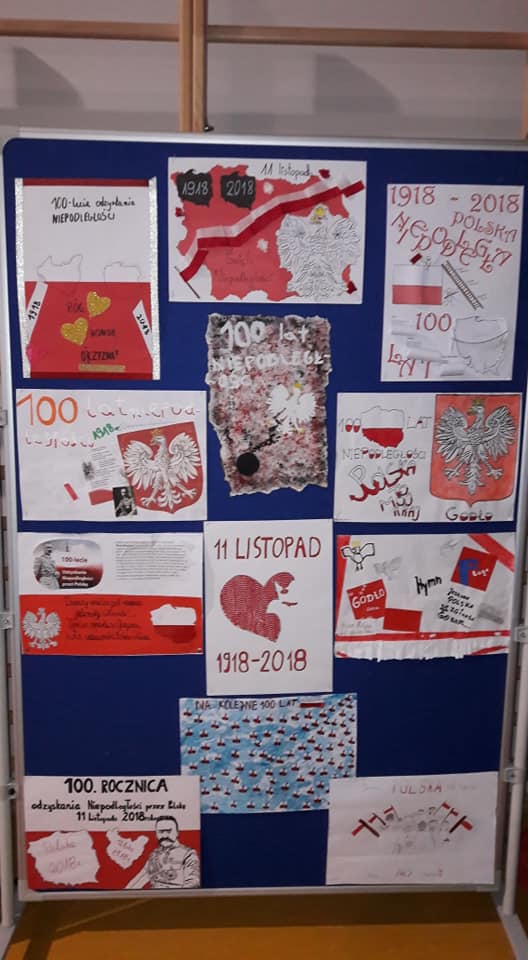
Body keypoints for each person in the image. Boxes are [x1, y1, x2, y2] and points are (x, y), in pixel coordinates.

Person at [125, 816, 200, 889]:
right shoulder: (154, 855)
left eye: (169, 831)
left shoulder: (188, 854)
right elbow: (139, 880)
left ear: (177, 832)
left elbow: (193, 883)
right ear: (156, 834)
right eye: (161, 832)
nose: (164, 836)